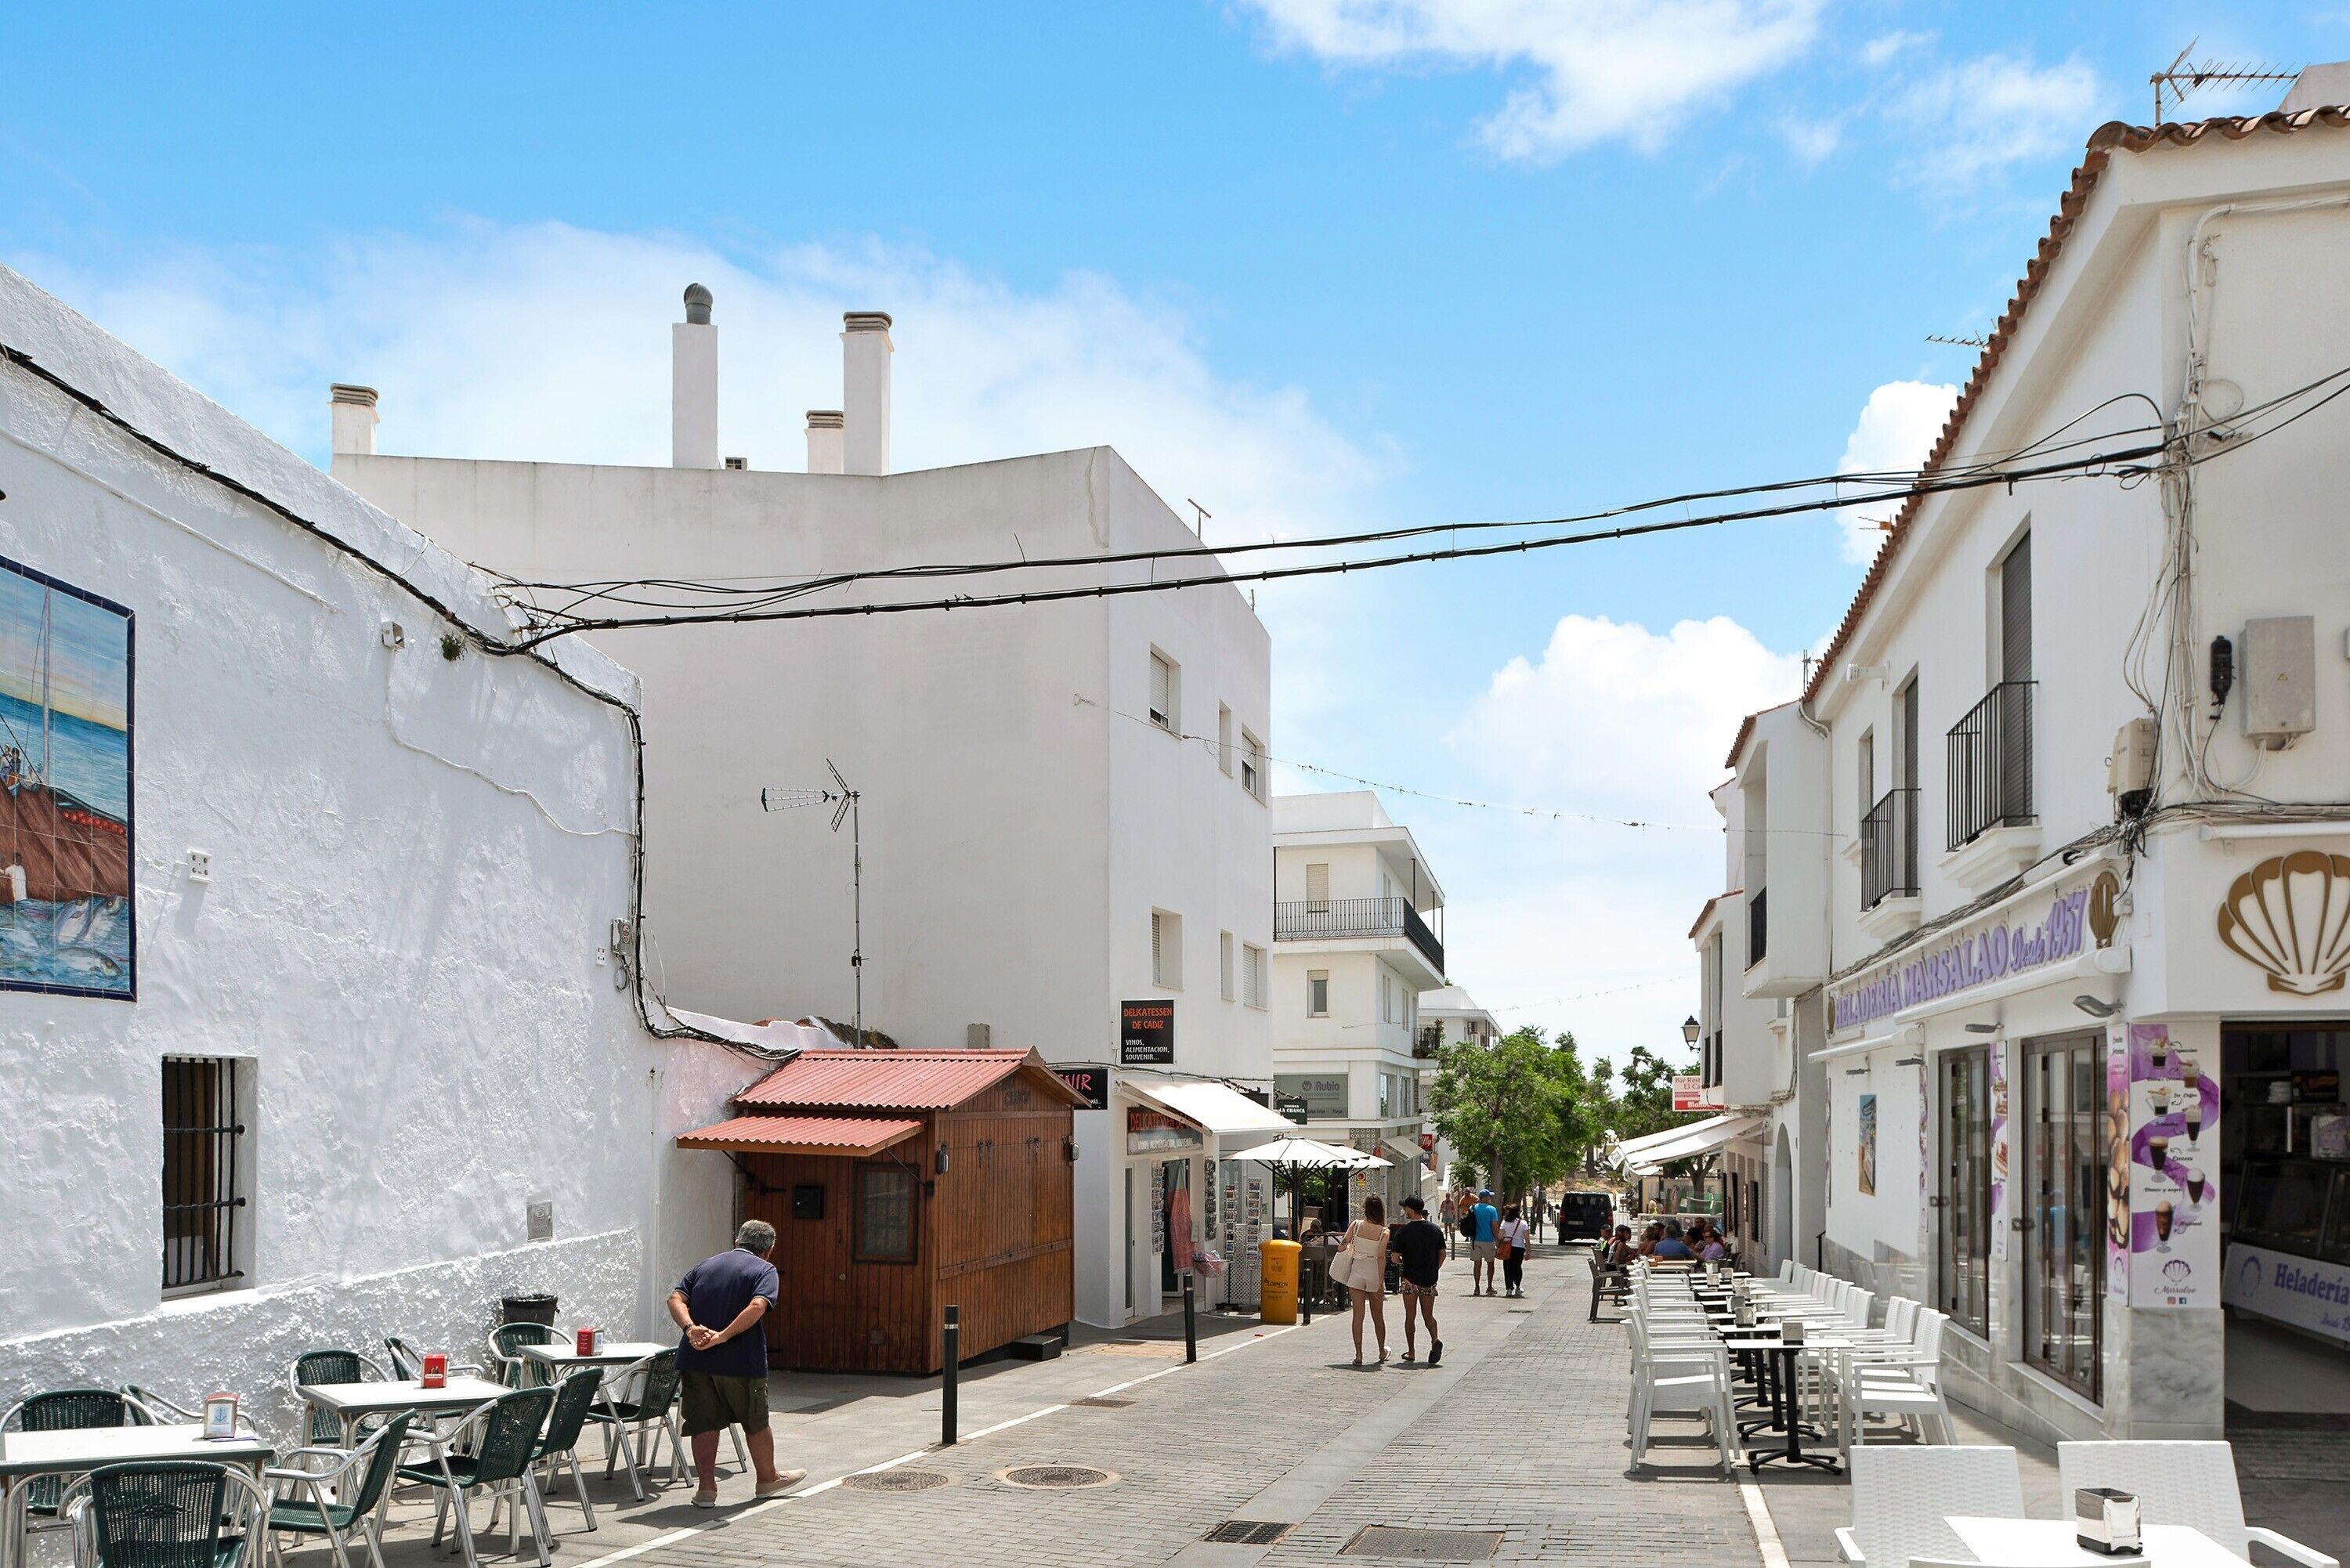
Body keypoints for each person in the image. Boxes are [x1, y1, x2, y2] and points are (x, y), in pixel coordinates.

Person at [668, 1219, 804, 1508]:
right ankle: (767, 1478)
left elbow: (676, 1298)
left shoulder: (706, 1265)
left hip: (696, 1358)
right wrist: (724, 1336)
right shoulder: (764, 1270)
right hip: (741, 1362)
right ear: (769, 1250)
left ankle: (706, 1489)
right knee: (755, 1420)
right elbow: (757, 1306)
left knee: (703, 1422)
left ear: (737, 1241)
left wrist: (691, 1328)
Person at [1387, 1195, 1445, 1365]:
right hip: (1429, 1278)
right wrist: (1435, 1268)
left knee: (1410, 1316)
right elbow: (1442, 1254)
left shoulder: (1403, 1232)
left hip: (1410, 1279)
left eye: (1406, 1208)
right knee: (1428, 1315)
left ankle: (1412, 1351)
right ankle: (1435, 1339)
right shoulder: (1435, 1230)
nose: (1404, 1210)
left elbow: (1394, 1257)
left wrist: (1405, 1262)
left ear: (1411, 1210)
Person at [1340, 1194, 1391, 1365]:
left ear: (1365, 1209)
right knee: (1378, 1316)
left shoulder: (1356, 1225)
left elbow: (1344, 1243)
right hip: (1374, 1273)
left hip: (1357, 1271)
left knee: (1358, 1315)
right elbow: (1381, 1257)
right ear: (1381, 1210)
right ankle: (1381, 1351)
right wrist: (1381, 1280)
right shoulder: (1384, 1231)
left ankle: (1359, 1354)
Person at [1464, 1189, 1500, 1296]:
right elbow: (1494, 1226)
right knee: (1490, 1264)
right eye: (1489, 1197)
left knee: (1477, 1264)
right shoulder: (1492, 1210)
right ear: (1485, 1198)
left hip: (1475, 1240)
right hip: (1488, 1240)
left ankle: (1477, 1287)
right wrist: (1497, 1238)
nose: (1490, 1198)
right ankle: (1489, 1286)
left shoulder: (1473, 1208)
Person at [1498, 1204, 1532, 1299]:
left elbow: (1500, 1236)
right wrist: (1528, 1251)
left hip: (1507, 1248)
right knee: (1517, 1267)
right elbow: (1527, 1238)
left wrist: (1507, 1236)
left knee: (1507, 1268)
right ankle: (1518, 1287)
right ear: (1519, 1212)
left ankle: (1509, 1289)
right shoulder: (1523, 1223)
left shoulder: (1505, 1222)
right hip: (1519, 1247)